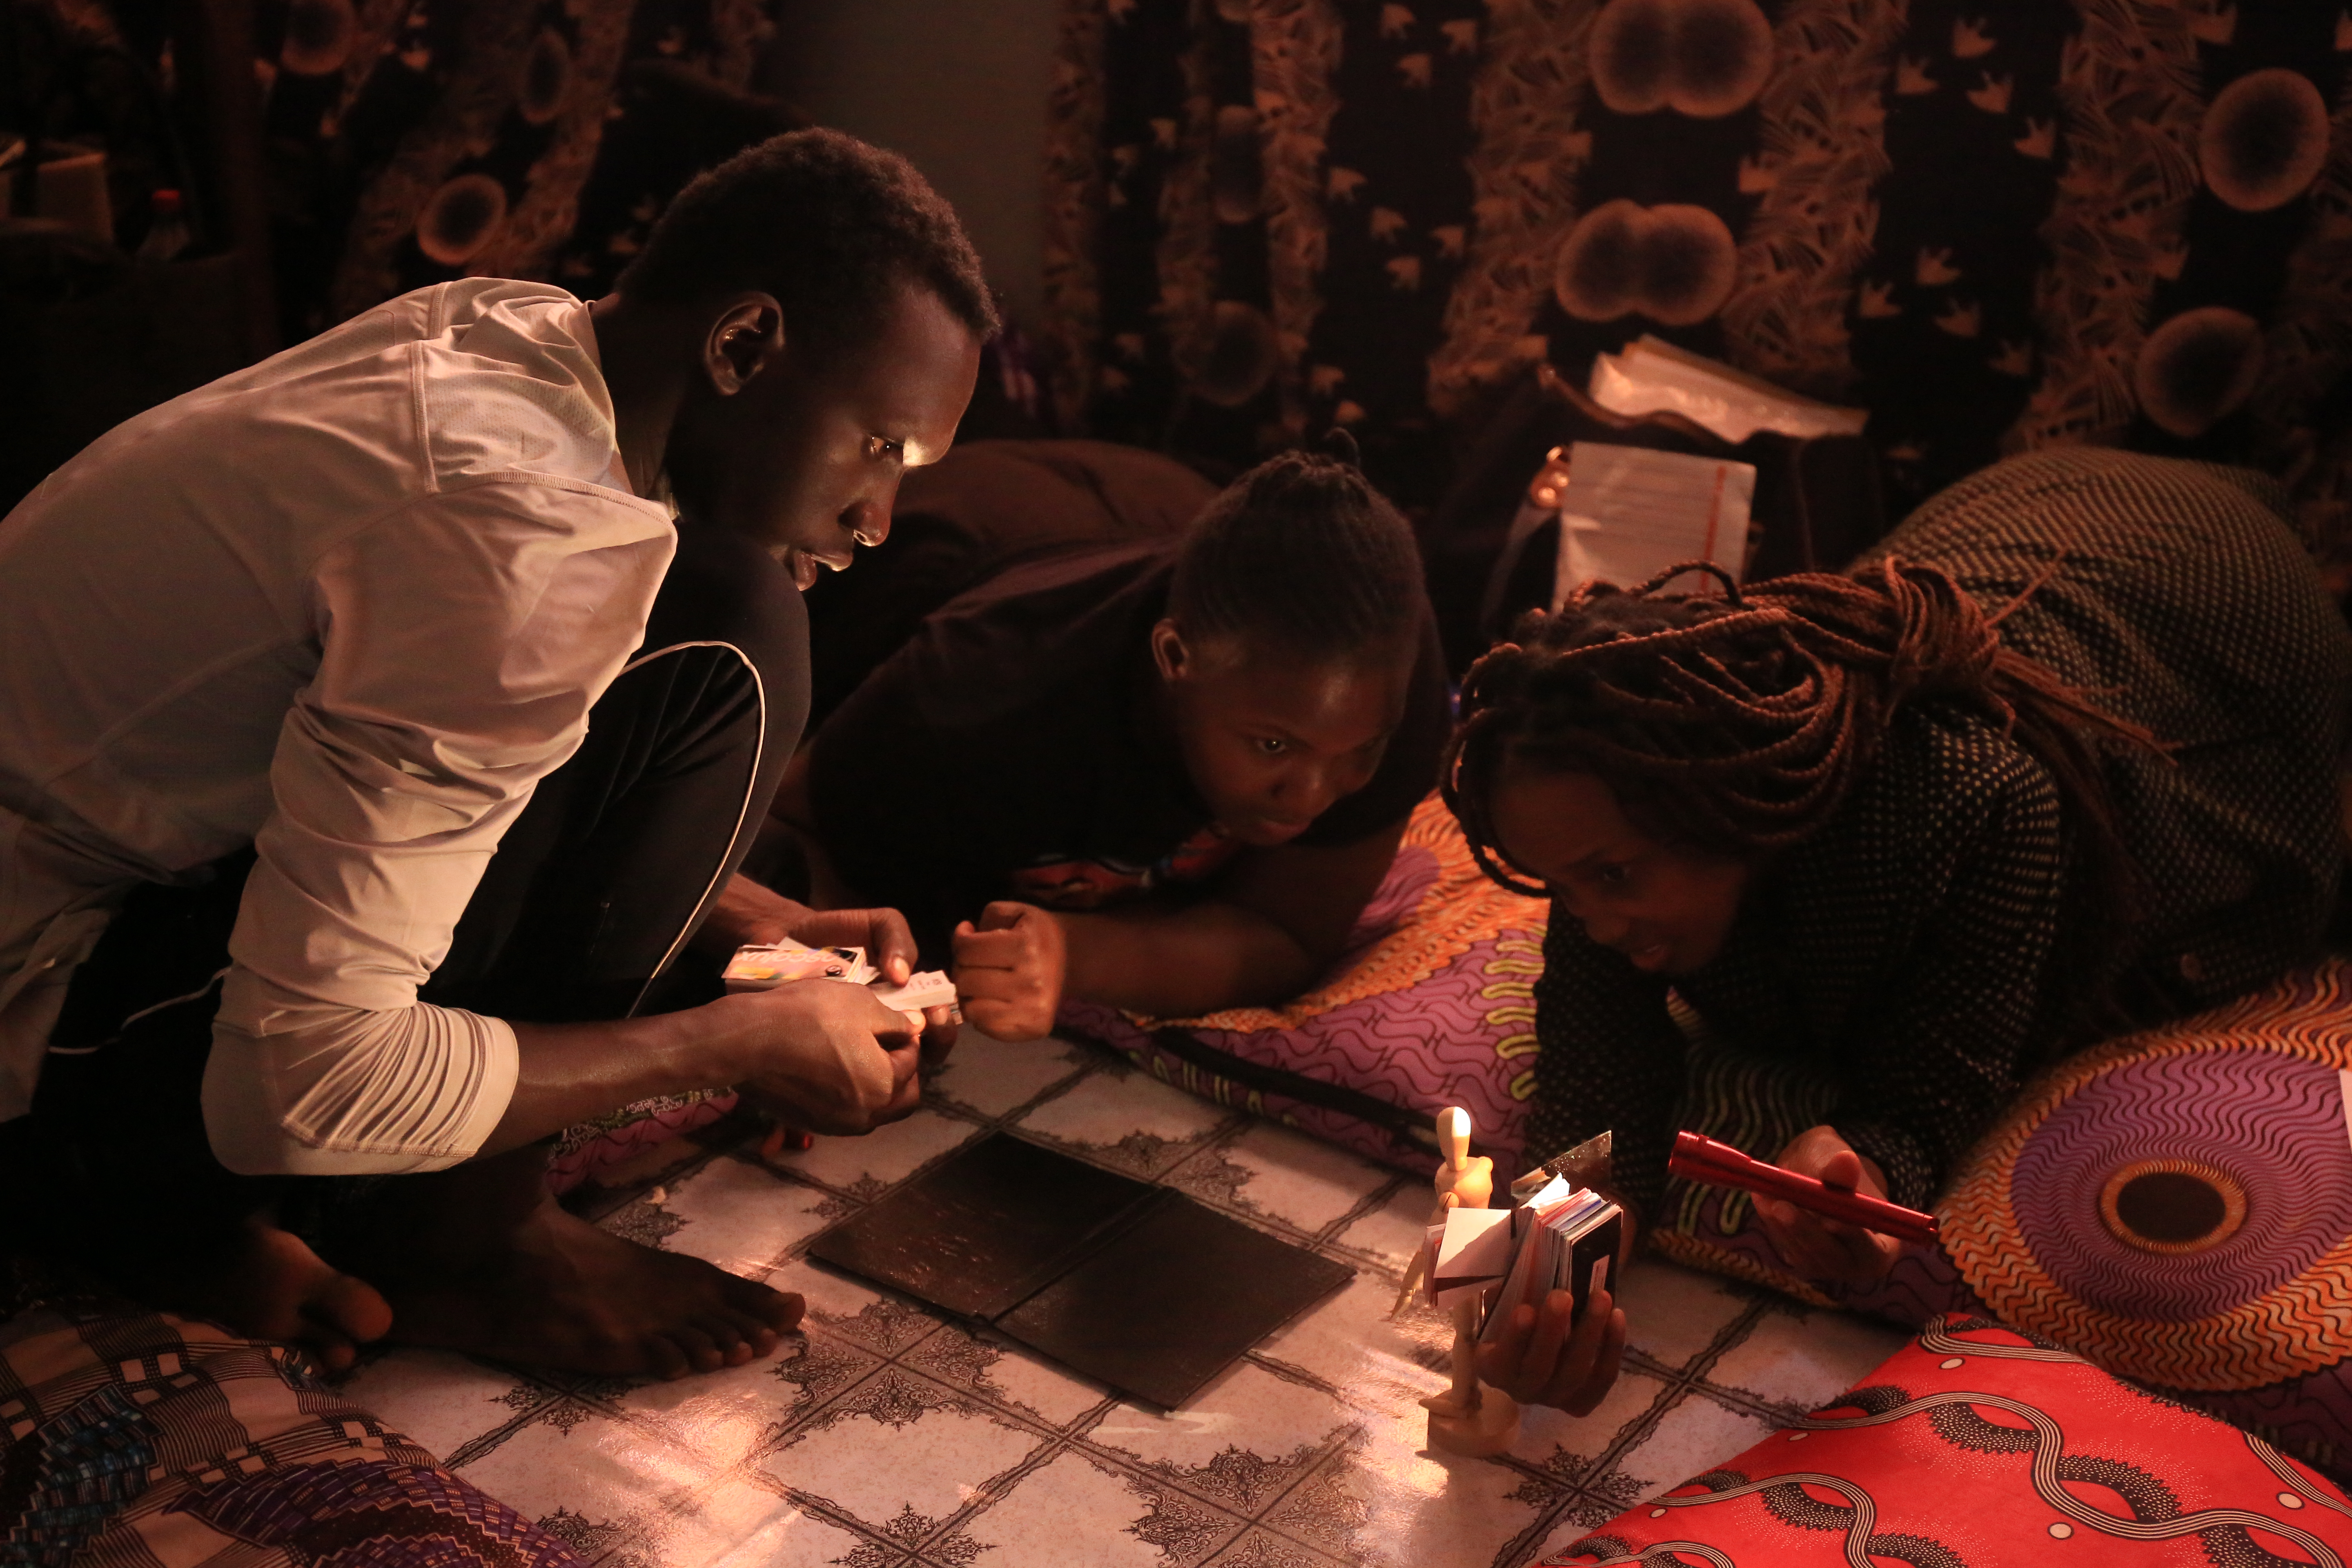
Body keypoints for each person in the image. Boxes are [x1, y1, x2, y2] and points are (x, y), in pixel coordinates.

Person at [0, 129, 992, 1381]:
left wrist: (745, 924)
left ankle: (176, 1206)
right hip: (33, 1005)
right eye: (879, 448)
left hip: (86, 859)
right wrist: (734, 1044)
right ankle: (458, 1240)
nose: (877, 522)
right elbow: (299, 1085)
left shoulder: (515, 334)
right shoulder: (522, 528)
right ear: (742, 346)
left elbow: (388, 742)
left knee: (702, 695)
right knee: (734, 644)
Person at [1440, 449, 2352, 1304]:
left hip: (2215, 579)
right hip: (2020, 505)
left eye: (1614, 876)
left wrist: (1858, 1166)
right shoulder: (1600, 811)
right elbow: (1597, 1083)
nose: (1592, 923)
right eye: (1565, 886)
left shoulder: (1970, 799)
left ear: (1733, 811)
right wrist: (1545, 1279)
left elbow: (1933, 1091)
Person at [752, 447, 1454, 1040]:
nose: (1312, 796)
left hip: (1139, 503)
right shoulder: (983, 694)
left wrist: (1072, 953)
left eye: (1358, 753)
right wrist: (818, 1003)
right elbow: (781, 843)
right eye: (1273, 747)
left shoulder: (1380, 669)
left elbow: (1288, 932)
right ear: (1175, 659)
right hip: (945, 546)